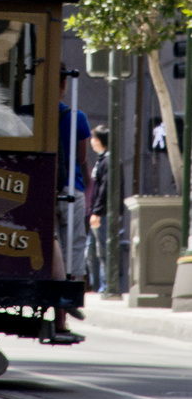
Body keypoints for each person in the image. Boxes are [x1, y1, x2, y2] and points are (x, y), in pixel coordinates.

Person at [53, 66, 91, 340]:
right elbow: (80, 158)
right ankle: (64, 314)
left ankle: (60, 314)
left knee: (52, 249)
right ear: (64, 83)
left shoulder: (29, 114)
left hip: (39, 190)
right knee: (72, 248)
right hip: (70, 189)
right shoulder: (76, 117)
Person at [87, 125, 110, 294]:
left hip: (102, 213)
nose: (91, 142)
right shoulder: (102, 160)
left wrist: (97, 212)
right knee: (92, 250)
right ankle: (98, 285)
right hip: (97, 212)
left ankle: (106, 285)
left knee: (103, 250)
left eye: (93, 138)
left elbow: (104, 189)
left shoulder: (108, 161)